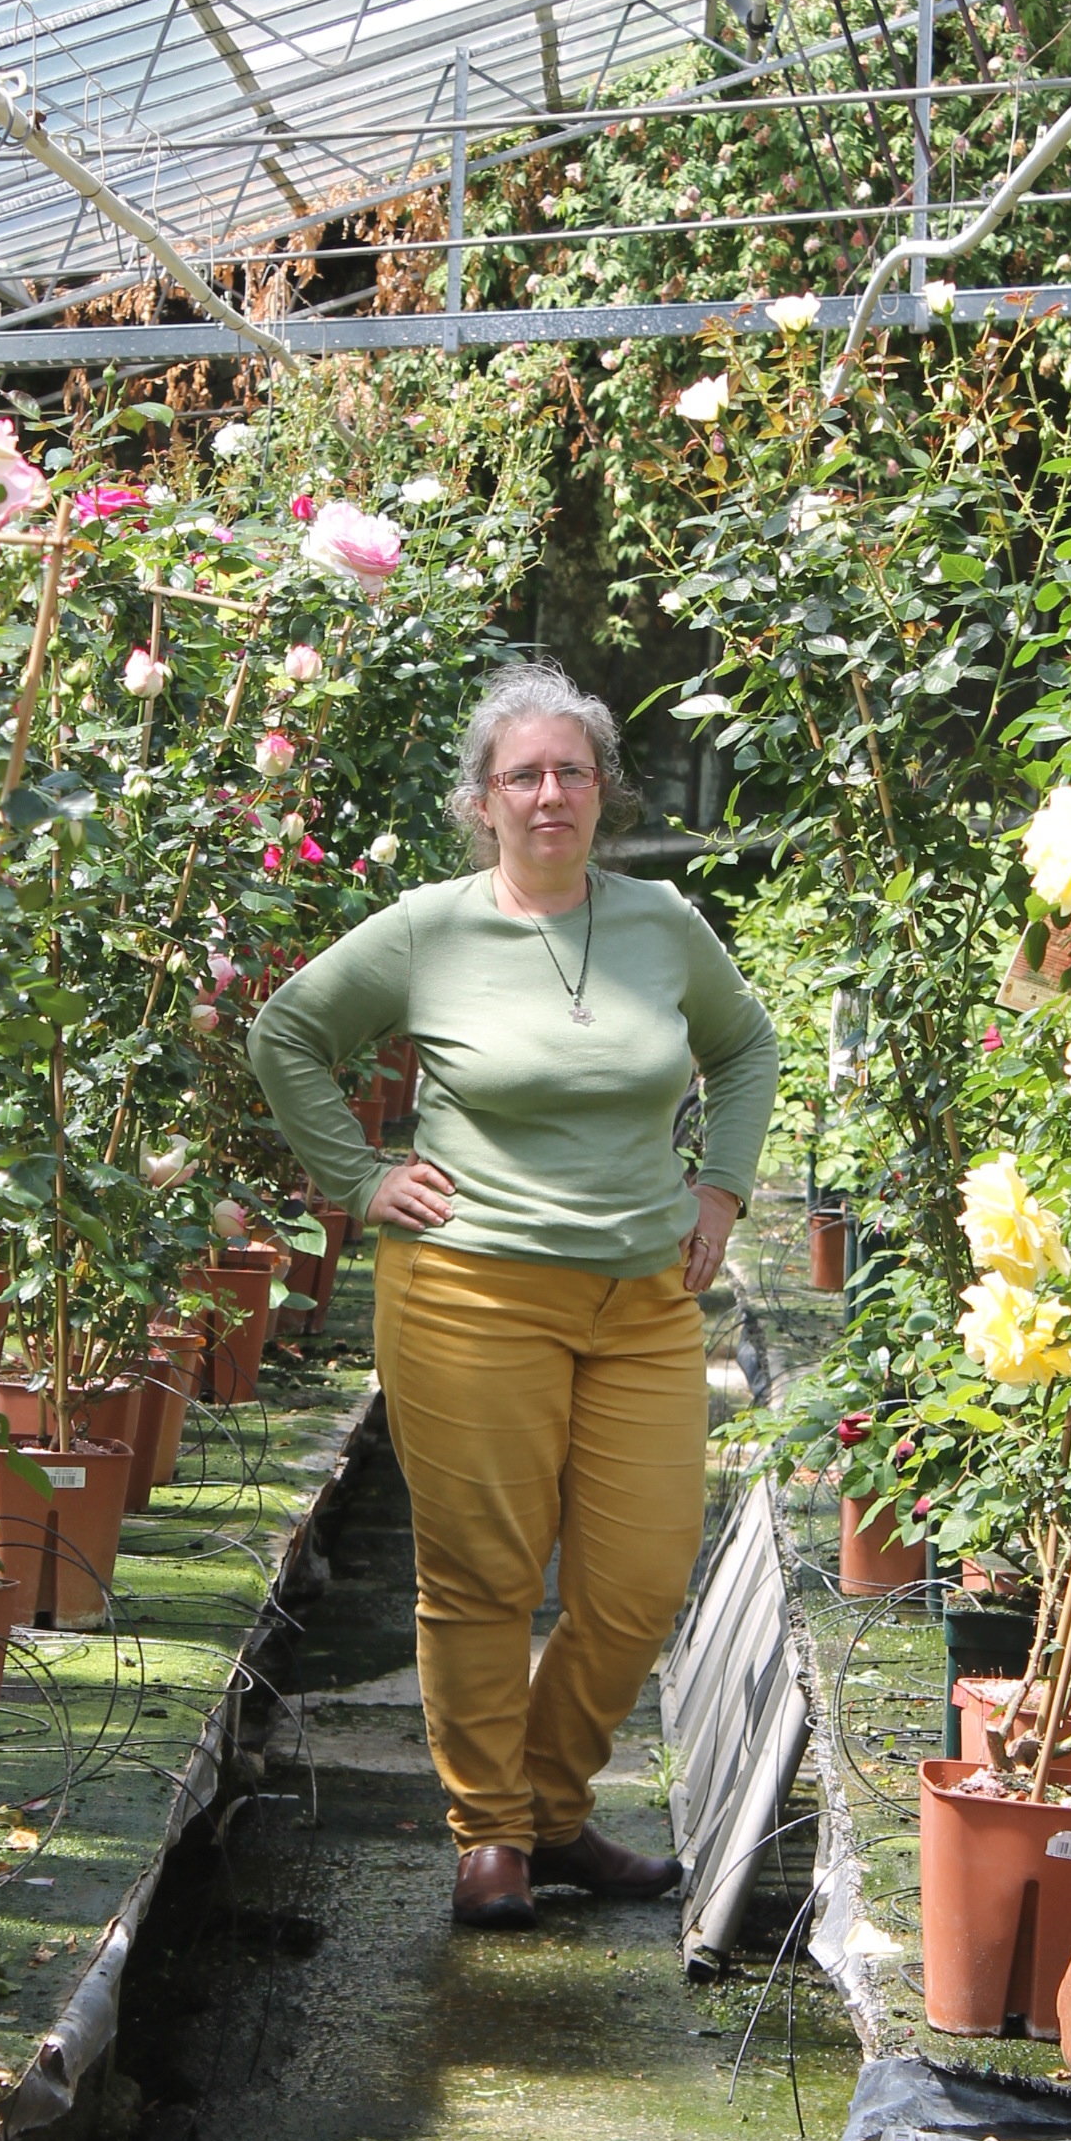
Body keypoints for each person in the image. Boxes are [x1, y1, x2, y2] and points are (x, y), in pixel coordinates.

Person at [246, 662, 778, 1930]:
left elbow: (744, 1043)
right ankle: (493, 1831)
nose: (550, 795)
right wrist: (362, 1177)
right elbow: (286, 1033)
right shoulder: (428, 929)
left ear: (603, 791)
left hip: (644, 1298)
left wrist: (721, 1189)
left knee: (639, 1582)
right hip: (468, 1295)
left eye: (571, 773)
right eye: (523, 776)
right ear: (481, 801)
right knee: (482, 1576)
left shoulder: (662, 923)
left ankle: (546, 1807)